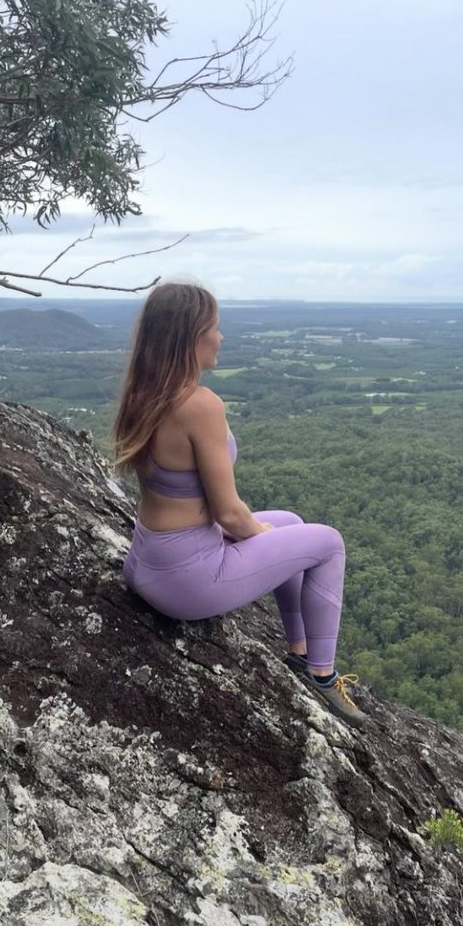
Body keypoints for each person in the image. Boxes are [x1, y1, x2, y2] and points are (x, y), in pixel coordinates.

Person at [112, 282, 366, 727]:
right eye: (213, 328)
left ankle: (298, 651)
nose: (220, 338)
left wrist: (263, 530)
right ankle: (322, 678)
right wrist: (256, 533)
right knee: (328, 542)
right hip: (187, 580)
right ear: (189, 338)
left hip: (149, 562)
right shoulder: (200, 405)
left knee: (289, 521)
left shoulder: (143, 392)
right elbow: (229, 513)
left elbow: (200, 503)